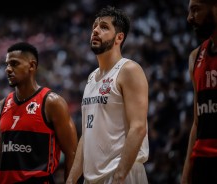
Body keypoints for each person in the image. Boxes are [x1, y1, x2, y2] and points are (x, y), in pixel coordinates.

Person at [66, 5, 149, 184]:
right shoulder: (90, 78)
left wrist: (119, 177)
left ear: (119, 37)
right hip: (92, 177)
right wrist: (71, 180)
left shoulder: (129, 70)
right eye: (94, 26)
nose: (96, 30)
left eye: (104, 27)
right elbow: (86, 135)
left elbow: (138, 128)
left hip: (122, 173)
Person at [0, 42, 78, 184]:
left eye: (14, 64)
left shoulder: (52, 102)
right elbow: (2, 159)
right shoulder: (1, 105)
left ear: (32, 66)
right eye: (7, 64)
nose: (8, 69)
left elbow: (73, 154)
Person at [181, 0, 217, 183]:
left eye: (196, 10)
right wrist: (186, 172)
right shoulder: (195, 57)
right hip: (202, 162)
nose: (189, 18)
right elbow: (197, 122)